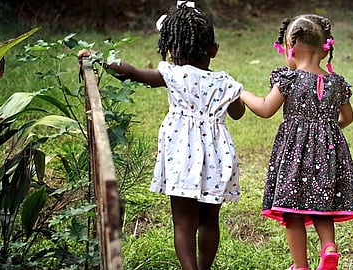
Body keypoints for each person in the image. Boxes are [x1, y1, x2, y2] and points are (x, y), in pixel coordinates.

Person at [79, 2, 245, 269]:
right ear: (214, 50)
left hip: (181, 155)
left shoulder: (172, 75)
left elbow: (131, 73)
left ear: (171, 49)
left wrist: (100, 58)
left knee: (183, 222)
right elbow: (238, 113)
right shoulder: (225, 82)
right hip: (216, 159)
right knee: (209, 220)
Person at [240, 14, 353, 270]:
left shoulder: (289, 79)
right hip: (328, 155)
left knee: (292, 211)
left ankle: (300, 266)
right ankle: (328, 247)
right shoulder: (336, 82)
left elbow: (265, 109)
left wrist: (242, 93)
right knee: (322, 204)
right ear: (323, 49)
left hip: (294, 156)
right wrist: (326, 133)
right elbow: (347, 117)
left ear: (291, 48)